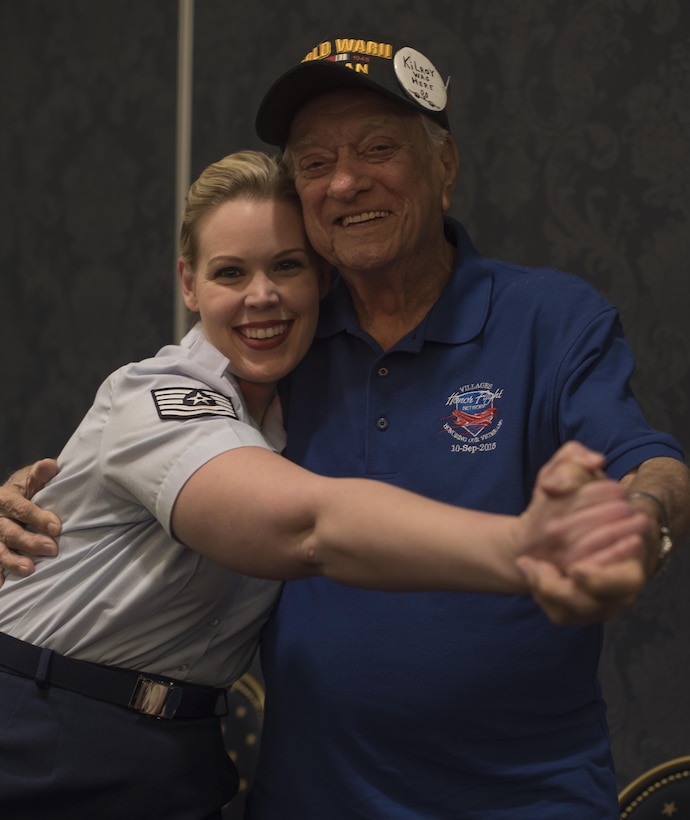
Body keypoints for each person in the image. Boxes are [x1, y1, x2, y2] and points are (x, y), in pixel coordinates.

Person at [1, 34, 688, 820]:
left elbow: (650, 464)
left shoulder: (550, 318)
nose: (346, 181)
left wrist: (643, 523)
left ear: (445, 167)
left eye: (377, 148)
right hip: (304, 795)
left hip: (523, 797)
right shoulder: (281, 345)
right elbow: (253, 498)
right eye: (316, 162)